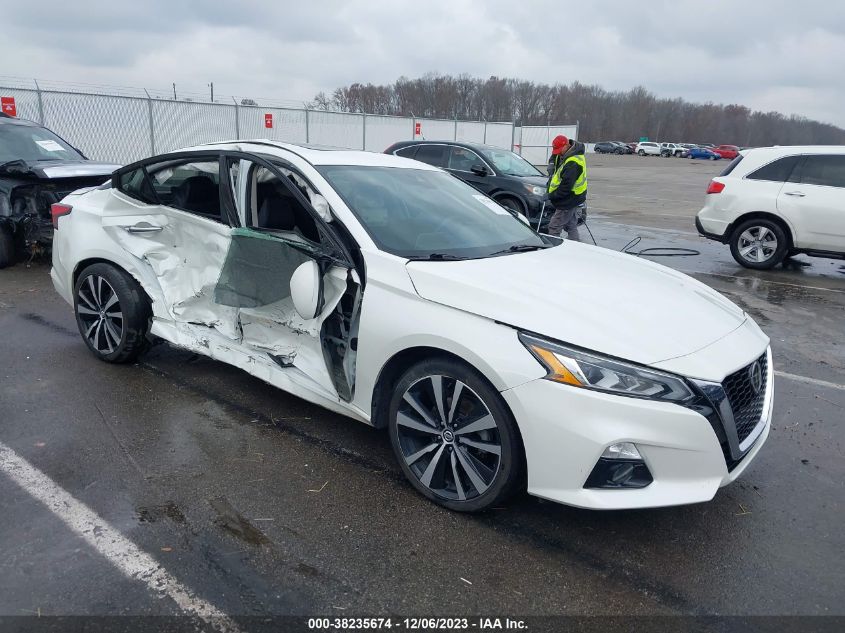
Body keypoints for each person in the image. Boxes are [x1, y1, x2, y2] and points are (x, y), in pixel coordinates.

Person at [545, 135, 587, 241]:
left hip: (570, 198)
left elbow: (565, 188)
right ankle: (575, 243)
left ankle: (554, 246)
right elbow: (554, 156)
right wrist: (551, 164)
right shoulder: (565, 153)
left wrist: (550, 196)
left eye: (559, 150)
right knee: (570, 225)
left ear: (566, 145)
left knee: (554, 226)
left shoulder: (573, 163)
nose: (558, 153)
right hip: (573, 197)